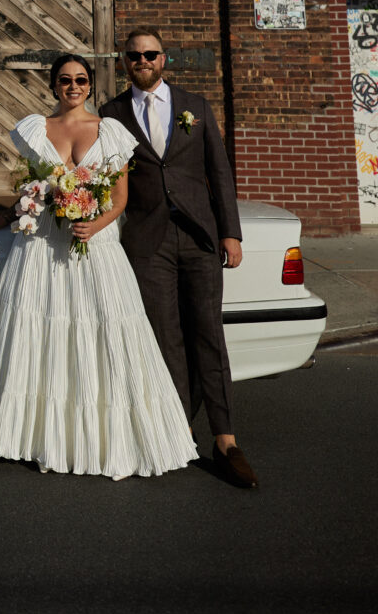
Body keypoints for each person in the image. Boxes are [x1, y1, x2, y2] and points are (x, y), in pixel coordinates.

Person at [0, 54, 197, 478]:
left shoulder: (111, 131)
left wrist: (95, 224)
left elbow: (120, 199)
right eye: (65, 80)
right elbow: (31, 193)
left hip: (96, 246)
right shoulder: (36, 128)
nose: (73, 86)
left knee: (103, 334)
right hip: (42, 249)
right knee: (44, 337)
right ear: (54, 85)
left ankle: (107, 438)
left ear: (90, 85)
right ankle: (40, 436)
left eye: (81, 80)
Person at [100, 26, 259, 490]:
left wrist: (230, 232)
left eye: (150, 54)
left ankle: (226, 439)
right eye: (134, 56)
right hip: (147, 241)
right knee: (165, 336)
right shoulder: (111, 114)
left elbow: (219, 172)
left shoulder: (197, 106)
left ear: (164, 59)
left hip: (199, 237)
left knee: (208, 333)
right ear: (124, 62)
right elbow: (102, 176)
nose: (142, 61)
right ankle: (178, 429)